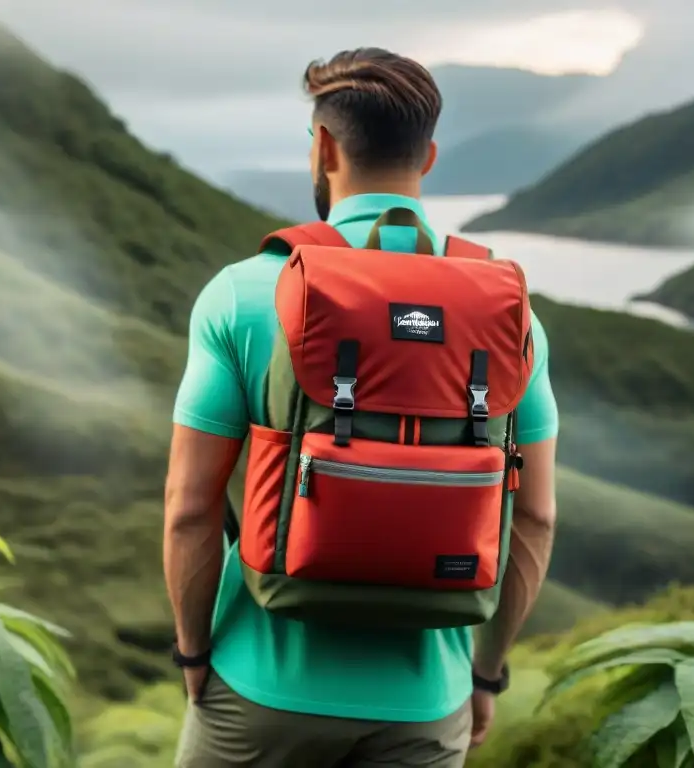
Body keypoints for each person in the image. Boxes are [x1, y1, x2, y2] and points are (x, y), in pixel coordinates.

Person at [164, 47, 559, 768]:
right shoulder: (509, 317)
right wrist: (483, 675)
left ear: (323, 147)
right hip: (426, 704)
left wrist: (192, 654)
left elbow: (190, 509)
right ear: (428, 157)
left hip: (258, 690)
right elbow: (534, 517)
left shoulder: (243, 292)